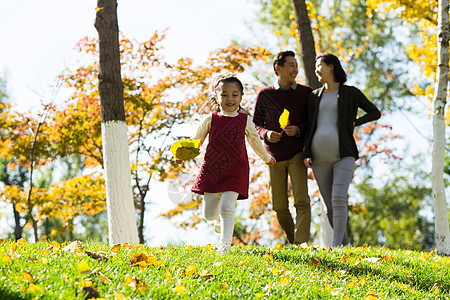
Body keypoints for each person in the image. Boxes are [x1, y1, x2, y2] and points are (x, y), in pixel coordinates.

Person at [190, 75, 276, 253]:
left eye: (235, 95)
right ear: (216, 96)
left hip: (236, 169)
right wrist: (184, 152)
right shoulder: (210, 119)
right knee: (209, 214)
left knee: (227, 207)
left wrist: (266, 157)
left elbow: (255, 141)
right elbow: (196, 140)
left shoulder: (244, 120)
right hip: (213, 170)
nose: (230, 99)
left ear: (241, 97)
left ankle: (224, 246)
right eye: (225, 95)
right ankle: (219, 222)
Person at [302, 53, 381, 248]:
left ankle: (336, 245)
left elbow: (374, 112)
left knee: (339, 197)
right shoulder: (314, 96)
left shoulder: (351, 93)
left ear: (331, 67)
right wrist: (306, 152)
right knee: (329, 205)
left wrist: (355, 122)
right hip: (319, 158)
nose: (316, 70)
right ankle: (345, 243)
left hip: (343, 155)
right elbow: (310, 125)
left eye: (319, 65)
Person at [252, 50, 312, 245]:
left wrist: (298, 129)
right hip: (273, 156)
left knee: (301, 200)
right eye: (291, 65)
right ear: (278, 68)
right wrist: (266, 134)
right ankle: (294, 240)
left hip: (297, 153)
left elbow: (313, 121)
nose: (295, 69)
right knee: (279, 206)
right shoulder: (264, 95)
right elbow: (254, 125)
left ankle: (301, 244)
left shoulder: (306, 93)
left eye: (296, 65)